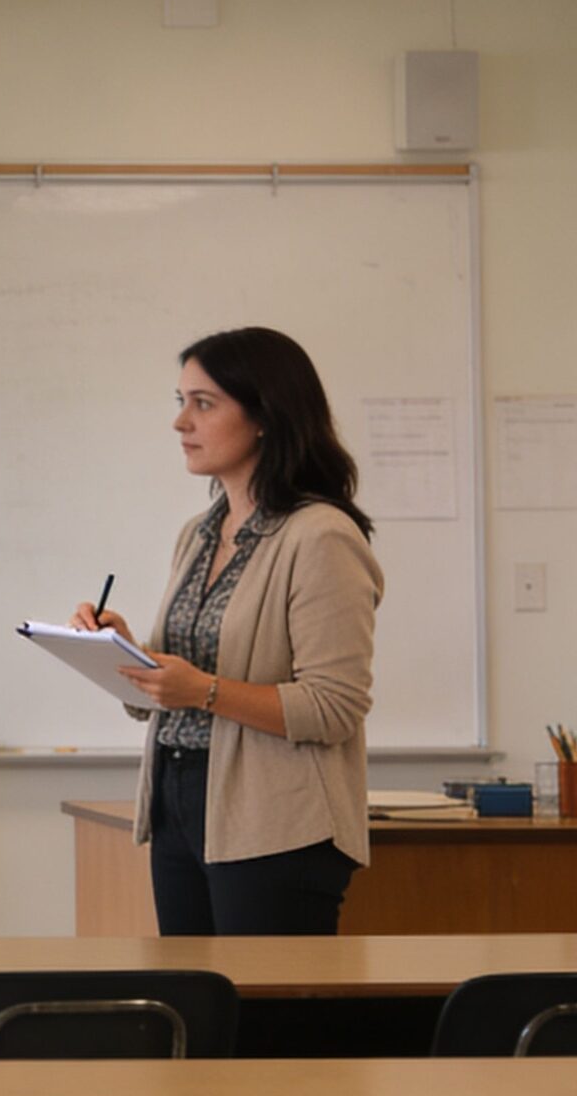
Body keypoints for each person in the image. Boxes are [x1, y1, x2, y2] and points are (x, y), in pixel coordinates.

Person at [78, 325, 384, 937]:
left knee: (265, 1024)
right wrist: (127, 655)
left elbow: (335, 706)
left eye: (204, 403)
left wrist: (204, 691)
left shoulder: (320, 537)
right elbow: (182, 686)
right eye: (180, 401)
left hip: (278, 817)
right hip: (177, 801)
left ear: (266, 415)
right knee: (198, 1011)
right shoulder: (196, 533)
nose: (181, 423)